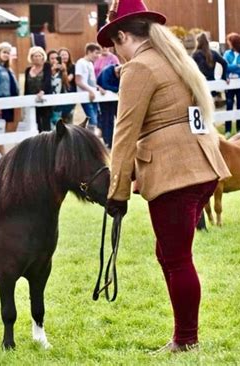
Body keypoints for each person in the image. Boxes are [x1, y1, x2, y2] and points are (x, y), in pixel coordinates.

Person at [97, 0, 231, 353]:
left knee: (176, 258)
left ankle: (186, 340)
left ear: (124, 35)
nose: (117, 55)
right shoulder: (175, 60)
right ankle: (185, 334)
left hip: (176, 175)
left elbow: (125, 133)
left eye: (115, 45)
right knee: (169, 253)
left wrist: (117, 190)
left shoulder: (139, 67)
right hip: (203, 168)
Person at [223, 33, 240, 137]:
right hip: (229, 83)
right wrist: (237, 66)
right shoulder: (227, 54)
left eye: (229, 42)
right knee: (229, 105)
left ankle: (239, 128)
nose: (228, 44)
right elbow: (226, 66)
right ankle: (228, 130)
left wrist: (232, 68)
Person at [75, 43, 105, 131]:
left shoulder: (91, 64)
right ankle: (89, 140)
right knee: (93, 121)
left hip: (93, 95)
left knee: (96, 119)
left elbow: (92, 82)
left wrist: (99, 88)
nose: (98, 56)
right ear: (89, 52)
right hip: (85, 95)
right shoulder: (81, 63)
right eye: (96, 53)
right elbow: (78, 81)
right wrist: (90, 91)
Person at [24, 46, 52, 132]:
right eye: (35, 56)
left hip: (44, 98)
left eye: (39, 55)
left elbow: (48, 80)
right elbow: (26, 86)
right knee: (36, 123)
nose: (37, 58)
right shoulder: (28, 70)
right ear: (31, 58)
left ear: (43, 57)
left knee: (46, 122)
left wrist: (42, 91)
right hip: (32, 99)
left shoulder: (47, 66)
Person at [97, 64, 121, 148]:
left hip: (115, 99)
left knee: (119, 117)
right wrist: (118, 89)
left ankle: (116, 141)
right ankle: (108, 142)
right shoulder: (107, 71)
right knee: (107, 119)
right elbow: (105, 85)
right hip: (105, 99)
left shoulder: (120, 73)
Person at [47, 49, 72, 127]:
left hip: (59, 102)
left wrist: (64, 71)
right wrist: (52, 70)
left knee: (59, 124)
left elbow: (67, 84)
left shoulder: (61, 71)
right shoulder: (46, 70)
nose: (54, 60)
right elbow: (45, 82)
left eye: (56, 58)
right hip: (48, 102)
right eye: (52, 58)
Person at [58, 48, 76, 124]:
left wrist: (64, 71)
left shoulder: (73, 66)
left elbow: (68, 79)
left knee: (69, 115)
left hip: (70, 93)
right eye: (62, 55)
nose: (64, 56)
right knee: (59, 117)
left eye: (66, 54)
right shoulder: (56, 67)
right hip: (59, 94)